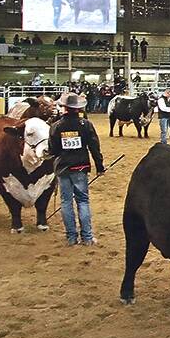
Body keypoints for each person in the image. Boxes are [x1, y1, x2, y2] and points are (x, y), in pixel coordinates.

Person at [48, 93, 105, 246]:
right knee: (83, 201)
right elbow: (94, 147)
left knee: (66, 202)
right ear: (78, 108)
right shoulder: (86, 124)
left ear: (64, 107)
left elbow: (53, 150)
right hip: (80, 167)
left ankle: (71, 237)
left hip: (63, 168)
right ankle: (87, 237)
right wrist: (99, 166)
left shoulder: (56, 126)